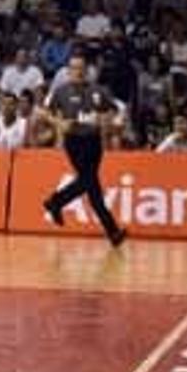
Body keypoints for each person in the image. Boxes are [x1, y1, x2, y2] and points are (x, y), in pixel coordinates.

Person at [39, 56, 127, 247]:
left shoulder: (98, 91)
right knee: (88, 181)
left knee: (91, 187)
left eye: (81, 68)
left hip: (93, 142)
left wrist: (110, 121)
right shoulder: (60, 91)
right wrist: (59, 123)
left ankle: (113, 233)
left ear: (86, 70)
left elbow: (113, 110)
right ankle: (55, 202)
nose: (77, 72)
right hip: (74, 141)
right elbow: (43, 112)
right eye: (74, 68)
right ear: (68, 71)